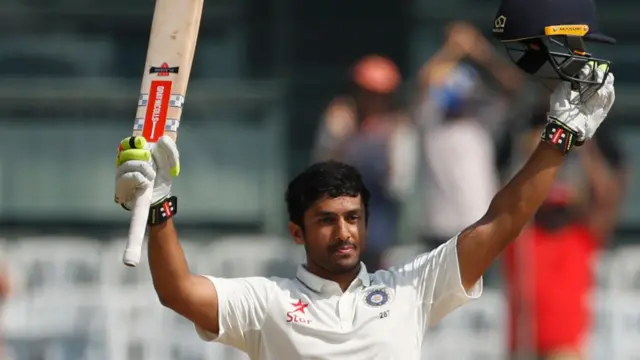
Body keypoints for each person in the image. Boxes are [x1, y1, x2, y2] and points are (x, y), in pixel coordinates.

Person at [113, 14, 615, 360]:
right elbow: (177, 291)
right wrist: (158, 206)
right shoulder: (268, 302)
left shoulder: (408, 289)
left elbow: (501, 220)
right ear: (296, 232)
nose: (343, 232)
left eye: (352, 217)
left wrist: (560, 138)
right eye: (326, 221)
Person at [490, 0, 617, 358]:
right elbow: (509, 201)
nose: (582, 58)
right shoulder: (520, 235)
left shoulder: (579, 236)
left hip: (566, 350)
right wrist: (557, 140)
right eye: (574, 48)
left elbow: (606, 196)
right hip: (526, 349)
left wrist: (582, 138)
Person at [415, 21, 524, 250]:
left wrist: (480, 51)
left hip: (481, 222)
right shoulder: (430, 119)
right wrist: (452, 50)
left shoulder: (483, 120)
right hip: (439, 228)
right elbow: (424, 81)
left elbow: (513, 84)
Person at [313, 55, 418, 271]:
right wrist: (337, 134)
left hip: (376, 214)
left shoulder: (398, 128)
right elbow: (320, 167)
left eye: (379, 95)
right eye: (366, 93)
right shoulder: (341, 120)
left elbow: (400, 184)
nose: (372, 101)